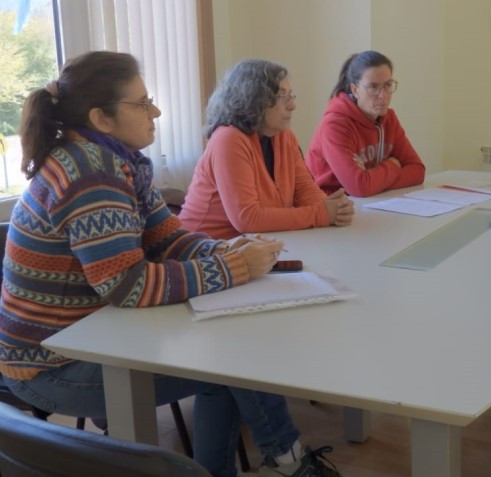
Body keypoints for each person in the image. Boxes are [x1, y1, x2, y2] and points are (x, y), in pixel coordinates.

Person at [0, 51, 340, 477]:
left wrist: (229, 252)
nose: (155, 111)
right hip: (50, 365)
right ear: (101, 119)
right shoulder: (90, 174)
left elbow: (169, 237)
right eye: (142, 104)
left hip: (92, 334)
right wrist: (235, 268)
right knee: (227, 369)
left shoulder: (117, 160)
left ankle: (273, 461)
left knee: (228, 361)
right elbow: (127, 285)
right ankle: (285, 461)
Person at [180, 59, 354, 239]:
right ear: (255, 99)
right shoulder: (228, 140)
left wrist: (335, 209)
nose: (292, 105)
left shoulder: (283, 136)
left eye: (291, 95)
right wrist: (322, 214)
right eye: (282, 97)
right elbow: (247, 219)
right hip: (205, 249)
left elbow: (304, 191)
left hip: (255, 245)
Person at [305, 50, 425, 197]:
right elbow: (359, 187)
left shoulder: (389, 118)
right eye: (373, 87)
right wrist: (393, 165)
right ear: (355, 90)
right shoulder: (334, 125)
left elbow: (418, 171)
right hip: (331, 208)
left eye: (388, 85)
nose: (383, 95)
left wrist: (372, 180)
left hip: (372, 202)